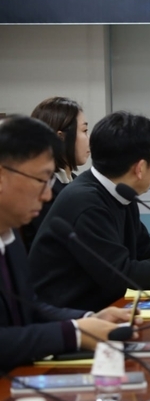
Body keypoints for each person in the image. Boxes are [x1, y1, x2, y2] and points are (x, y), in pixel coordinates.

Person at [29, 112, 150, 312]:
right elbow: (120, 276)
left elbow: (143, 253)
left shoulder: (119, 192)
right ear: (140, 168)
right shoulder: (87, 203)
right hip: (71, 319)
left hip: (104, 310)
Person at [0, 115, 138, 371]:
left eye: (51, 182)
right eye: (41, 180)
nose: (47, 195)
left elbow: (30, 307)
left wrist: (87, 319)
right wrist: (74, 333)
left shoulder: (9, 236)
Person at [22, 97, 90, 251]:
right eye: (84, 131)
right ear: (60, 137)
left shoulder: (75, 182)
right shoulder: (43, 191)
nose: (88, 139)